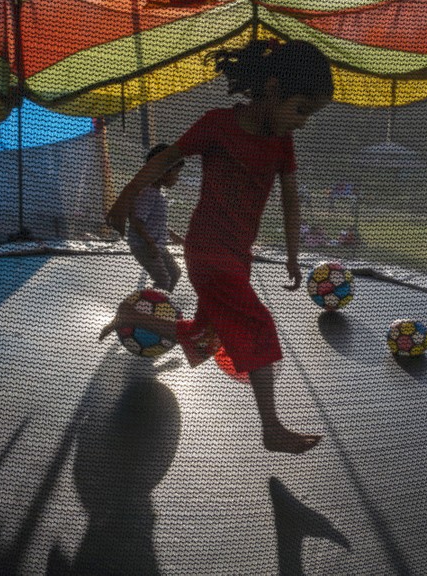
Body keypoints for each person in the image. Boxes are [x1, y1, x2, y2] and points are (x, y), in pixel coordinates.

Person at [102, 38, 333, 454]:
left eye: (309, 116)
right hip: (208, 252)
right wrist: (125, 198)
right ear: (273, 89)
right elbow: (164, 159)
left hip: (238, 256)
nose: (302, 123)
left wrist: (293, 255)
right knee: (259, 325)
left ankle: (130, 318)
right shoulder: (217, 125)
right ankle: (271, 427)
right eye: (300, 110)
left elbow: (290, 198)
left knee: (204, 337)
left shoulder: (281, 141)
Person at [128, 143, 185, 292]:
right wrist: (151, 243)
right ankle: (148, 303)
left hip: (155, 244)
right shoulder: (148, 193)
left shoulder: (157, 193)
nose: (177, 178)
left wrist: (174, 236)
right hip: (144, 246)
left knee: (175, 273)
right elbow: (136, 222)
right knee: (163, 280)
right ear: (163, 171)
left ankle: (161, 301)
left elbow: (155, 222)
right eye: (176, 173)